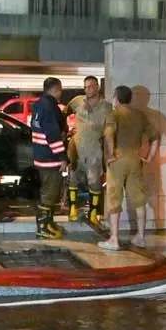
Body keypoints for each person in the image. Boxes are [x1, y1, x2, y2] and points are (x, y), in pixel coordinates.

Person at [99, 85, 159, 251]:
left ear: (116, 98)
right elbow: (156, 138)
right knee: (139, 199)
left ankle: (114, 239)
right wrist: (148, 158)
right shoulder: (140, 115)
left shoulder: (114, 113)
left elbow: (109, 134)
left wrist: (111, 154)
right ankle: (140, 236)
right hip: (135, 159)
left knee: (114, 198)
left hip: (118, 160)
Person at [65, 75, 113, 232]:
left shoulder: (106, 107)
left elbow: (110, 131)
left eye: (91, 86)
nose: (87, 90)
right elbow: (64, 112)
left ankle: (93, 213)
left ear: (98, 87)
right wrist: (65, 131)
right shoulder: (78, 101)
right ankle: (72, 210)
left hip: (94, 150)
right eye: (85, 87)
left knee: (95, 183)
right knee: (73, 179)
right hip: (76, 148)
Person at [31, 77, 68, 239]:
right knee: (50, 193)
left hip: (41, 156)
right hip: (51, 157)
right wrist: (63, 157)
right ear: (56, 89)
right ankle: (43, 227)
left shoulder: (39, 105)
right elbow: (53, 135)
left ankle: (48, 223)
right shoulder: (50, 107)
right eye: (60, 89)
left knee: (48, 191)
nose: (61, 92)